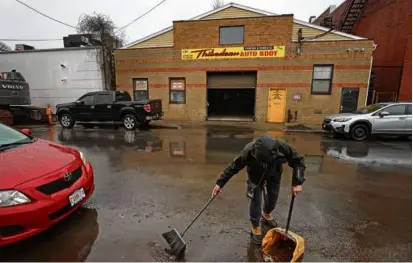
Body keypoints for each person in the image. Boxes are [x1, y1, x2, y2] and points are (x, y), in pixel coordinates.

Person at [211, 135, 306, 244]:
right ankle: (255, 225)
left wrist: (297, 183)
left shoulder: (282, 147)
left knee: (273, 198)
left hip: (274, 174)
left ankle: (266, 213)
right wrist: (219, 184)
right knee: (255, 200)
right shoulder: (248, 151)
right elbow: (233, 167)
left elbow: (298, 161)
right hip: (255, 176)